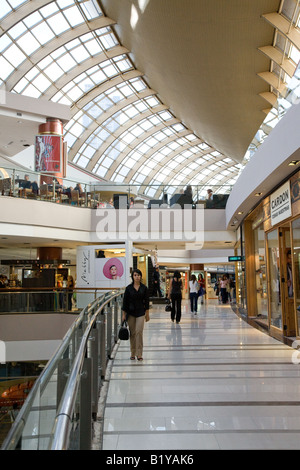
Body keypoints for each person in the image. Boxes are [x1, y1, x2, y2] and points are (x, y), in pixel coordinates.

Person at [122, 269, 150, 361]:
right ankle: (133, 353)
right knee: (132, 333)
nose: (137, 277)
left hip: (141, 312)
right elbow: (125, 302)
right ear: (132, 277)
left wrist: (147, 314)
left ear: (141, 276)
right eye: (135, 275)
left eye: (138, 275)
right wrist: (123, 315)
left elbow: (146, 301)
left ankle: (139, 353)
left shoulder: (144, 288)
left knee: (139, 332)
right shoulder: (128, 288)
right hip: (130, 313)